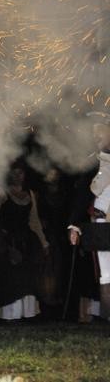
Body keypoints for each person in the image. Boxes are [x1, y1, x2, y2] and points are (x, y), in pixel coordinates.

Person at [0, 163, 50, 321]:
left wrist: (44, 242)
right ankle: (9, 315)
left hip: (27, 241)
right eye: (14, 173)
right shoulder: (1, 193)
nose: (17, 176)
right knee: (9, 278)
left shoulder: (30, 194)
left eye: (20, 173)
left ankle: (27, 314)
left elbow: (34, 221)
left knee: (27, 278)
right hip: (7, 242)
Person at [68, 112, 110, 321]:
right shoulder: (93, 163)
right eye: (93, 133)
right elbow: (83, 196)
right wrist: (74, 225)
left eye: (99, 131)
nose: (96, 136)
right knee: (107, 273)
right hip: (102, 225)